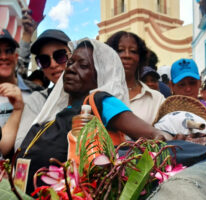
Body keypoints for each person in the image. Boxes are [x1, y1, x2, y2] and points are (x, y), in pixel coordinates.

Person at [16, 39, 171, 195]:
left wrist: (168, 138)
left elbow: (153, 135)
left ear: (101, 75)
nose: (71, 69)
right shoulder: (61, 111)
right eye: (70, 63)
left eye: (83, 66)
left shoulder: (100, 101)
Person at [13, 29, 71, 151]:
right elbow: (21, 146)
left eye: (60, 56)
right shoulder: (38, 100)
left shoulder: (95, 94)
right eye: (44, 60)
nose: (53, 64)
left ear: (73, 55)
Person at [106, 31, 165, 124]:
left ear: (140, 58)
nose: (127, 55)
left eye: (133, 51)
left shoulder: (157, 99)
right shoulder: (99, 93)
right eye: (120, 50)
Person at [170, 58, 206, 128]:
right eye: (182, 84)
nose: (188, 89)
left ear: (200, 82)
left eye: (192, 83)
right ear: (172, 85)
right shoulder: (165, 114)